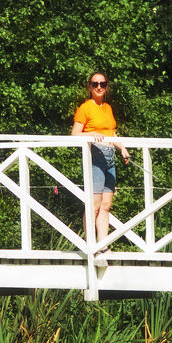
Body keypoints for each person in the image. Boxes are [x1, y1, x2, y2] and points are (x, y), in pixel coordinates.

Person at [71, 72, 130, 245]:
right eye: (95, 84)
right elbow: (75, 134)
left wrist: (123, 149)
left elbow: (111, 132)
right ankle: (90, 246)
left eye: (102, 84)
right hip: (95, 157)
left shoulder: (107, 108)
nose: (99, 87)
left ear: (106, 87)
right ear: (89, 86)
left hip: (110, 156)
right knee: (94, 205)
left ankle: (103, 246)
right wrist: (91, 134)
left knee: (105, 206)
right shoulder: (85, 108)